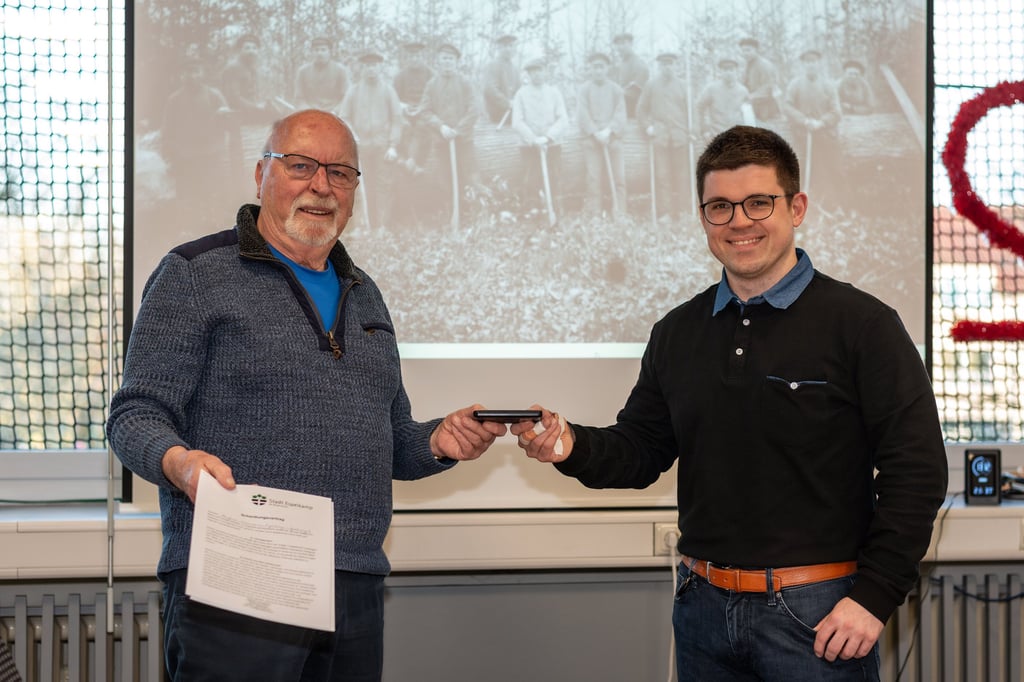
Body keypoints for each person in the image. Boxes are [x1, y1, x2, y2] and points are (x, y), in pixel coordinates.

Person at [511, 125, 948, 681]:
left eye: (758, 203)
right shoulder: (676, 332)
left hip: (818, 615)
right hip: (702, 612)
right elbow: (641, 451)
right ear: (703, 218)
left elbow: (918, 470)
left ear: (796, 208)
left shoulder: (864, 325)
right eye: (720, 207)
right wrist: (569, 444)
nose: (739, 221)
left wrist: (874, 596)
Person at [106, 109, 507, 681]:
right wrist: (179, 462)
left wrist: (440, 441)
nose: (321, 185)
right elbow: (134, 414)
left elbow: (391, 442)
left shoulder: (365, 294)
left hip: (354, 583)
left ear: (354, 193)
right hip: (237, 576)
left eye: (340, 173)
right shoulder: (194, 273)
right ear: (260, 175)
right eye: (300, 166)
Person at [161, 54, 230, 225]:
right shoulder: (174, 100)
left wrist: (221, 123)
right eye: (187, 72)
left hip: (210, 154)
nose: (191, 76)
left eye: (195, 71)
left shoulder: (214, 95)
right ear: (181, 75)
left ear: (202, 73)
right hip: (185, 157)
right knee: (188, 195)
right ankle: (189, 226)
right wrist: (171, 154)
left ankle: (212, 224)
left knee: (211, 192)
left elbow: (227, 121)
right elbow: (167, 130)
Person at [418, 43, 481, 223]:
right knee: (445, 179)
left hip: (464, 141)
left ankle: (472, 215)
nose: (447, 62)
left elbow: (474, 109)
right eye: (444, 58)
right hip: (442, 141)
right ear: (439, 61)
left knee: (468, 176)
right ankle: (452, 214)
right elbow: (425, 111)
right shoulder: (432, 84)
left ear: (456, 62)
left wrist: (458, 130)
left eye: (451, 59)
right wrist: (441, 127)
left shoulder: (465, 82)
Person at [340, 51, 403, 229]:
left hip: (383, 147)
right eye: (367, 65)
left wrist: (393, 145)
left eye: (374, 65)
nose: (371, 69)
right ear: (362, 68)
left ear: (379, 67)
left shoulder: (388, 90)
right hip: (361, 148)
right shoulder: (353, 91)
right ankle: (361, 225)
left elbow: (397, 118)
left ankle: (382, 226)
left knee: (384, 185)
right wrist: (353, 135)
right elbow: (344, 117)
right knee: (358, 186)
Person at [636, 52, 694, 221]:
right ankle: (665, 212)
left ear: (675, 65)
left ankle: (684, 211)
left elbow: (692, 111)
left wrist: (692, 131)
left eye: (670, 64)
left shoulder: (683, 85)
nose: (667, 67)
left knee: (683, 176)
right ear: (659, 66)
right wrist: (648, 127)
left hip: (680, 137)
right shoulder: (651, 85)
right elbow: (641, 110)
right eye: (663, 64)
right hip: (660, 138)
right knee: (662, 176)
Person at [780, 48, 843, 203]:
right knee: (802, 168)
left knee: (832, 168)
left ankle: (835, 204)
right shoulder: (795, 84)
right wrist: (804, 121)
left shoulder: (828, 85)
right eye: (807, 62)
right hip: (803, 134)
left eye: (813, 61)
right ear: (803, 64)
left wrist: (821, 122)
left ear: (819, 63)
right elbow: (787, 106)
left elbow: (836, 112)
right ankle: (805, 203)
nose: (810, 65)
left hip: (825, 134)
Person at [510, 56, 568, 220]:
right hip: (529, 146)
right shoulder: (521, 94)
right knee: (530, 178)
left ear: (545, 72)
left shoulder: (554, 92)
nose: (536, 74)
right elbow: (517, 122)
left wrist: (548, 137)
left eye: (539, 70)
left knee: (555, 176)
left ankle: (556, 210)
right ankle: (533, 211)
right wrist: (533, 139)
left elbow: (563, 119)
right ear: (528, 75)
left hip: (552, 144)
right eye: (532, 72)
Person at [577, 51, 627, 218]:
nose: (598, 71)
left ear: (607, 69)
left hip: (613, 139)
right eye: (595, 67)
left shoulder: (616, 90)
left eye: (601, 67)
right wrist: (595, 133)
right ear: (590, 69)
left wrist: (608, 131)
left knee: (619, 177)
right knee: (593, 178)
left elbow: (621, 114)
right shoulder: (584, 90)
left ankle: (620, 212)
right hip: (592, 140)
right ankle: (595, 213)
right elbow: (582, 115)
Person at [695, 55, 750, 142]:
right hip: (716, 135)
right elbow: (699, 108)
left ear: (736, 71)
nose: (728, 73)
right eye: (725, 70)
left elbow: (748, 115)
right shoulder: (711, 89)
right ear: (720, 71)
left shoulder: (743, 91)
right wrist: (704, 129)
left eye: (731, 70)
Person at [293, 36, 349, 111]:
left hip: (334, 113)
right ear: (312, 52)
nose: (319, 53)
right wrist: (308, 111)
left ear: (330, 52)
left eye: (323, 50)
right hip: (310, 112)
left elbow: (346, 98)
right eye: (316, 50)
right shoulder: (302, 71)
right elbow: (299, 98)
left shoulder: (340, 70)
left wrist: (335, 111)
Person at [738, 37, 781, 123]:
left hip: (766, 108)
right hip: (752, 106)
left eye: (748, 50)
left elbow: (769, 87)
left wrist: (749, 97)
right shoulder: (747, 65)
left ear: (756, 50)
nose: (745, 53)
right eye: (743, 51)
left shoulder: (764, 65)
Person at [481, 34, 520, 125]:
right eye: (505, 46)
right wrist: (506, 103)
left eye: (511, 46)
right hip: (496, 116)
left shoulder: (515, 69)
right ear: (499, 48)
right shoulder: (492, 65)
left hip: (512, 115)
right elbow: (489, 89)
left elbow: (519, 90)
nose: (508, 49)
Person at [610, 32, 649, 118]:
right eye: (618, 44)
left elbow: (637, 90)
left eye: (623, 43)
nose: (620, 47)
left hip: (634, 109)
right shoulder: (621, 64)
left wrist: (617, 96)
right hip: (622, 108)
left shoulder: (638, 63)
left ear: (631, 44)